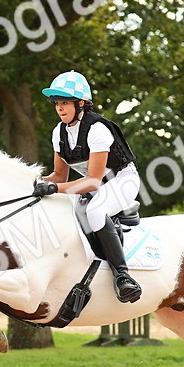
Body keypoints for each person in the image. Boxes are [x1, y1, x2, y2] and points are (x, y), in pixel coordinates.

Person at [32, 70, 142, 303]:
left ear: (81, 104)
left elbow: (92, 180)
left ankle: (123, 277)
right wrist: (34, 183)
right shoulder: (58, 132)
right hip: (93, 185)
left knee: (95, 211)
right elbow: (59, 176)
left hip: (121, 181)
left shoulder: (97, 129)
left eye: (65, 103)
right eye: (57, 103)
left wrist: (54, 189)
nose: (60, 108)